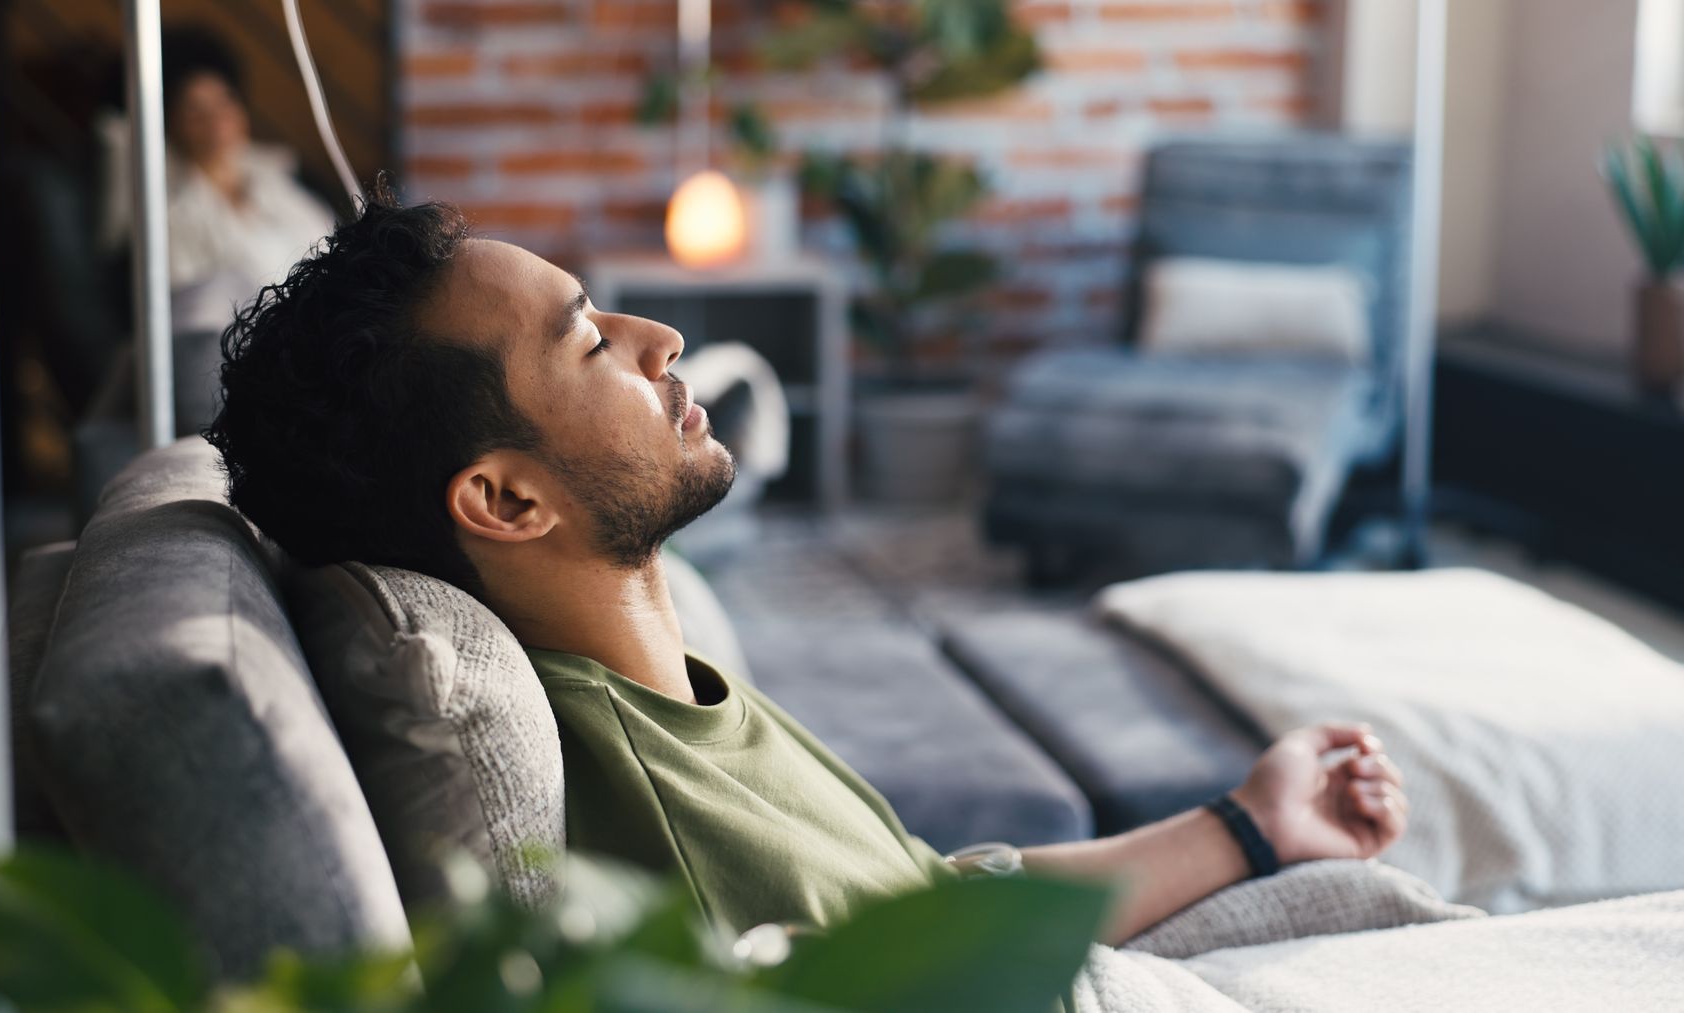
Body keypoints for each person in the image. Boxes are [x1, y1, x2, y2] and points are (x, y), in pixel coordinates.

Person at [202, 194, 1410, 944]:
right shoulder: (666, 837)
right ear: (508, 500)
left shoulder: (658, 692)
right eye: (589, 340)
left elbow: (928, 904)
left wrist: (1250, 823)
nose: (660, 338)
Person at [100, 27, 338, 334]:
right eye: (196, 111)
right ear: (171, 125)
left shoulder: (283, 180)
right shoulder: (171, 216)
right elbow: (193, 314)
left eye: (224, 101)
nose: (217, 120)